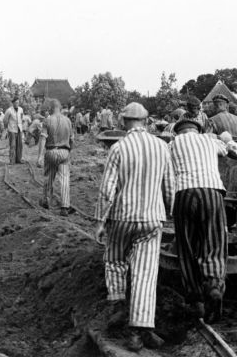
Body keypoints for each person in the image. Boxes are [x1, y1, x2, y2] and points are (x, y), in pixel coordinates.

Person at [95, 102, 175, 352]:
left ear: (123, 122)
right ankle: (137, 333)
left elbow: (107, 190)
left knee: (115, 259)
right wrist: (170, 213)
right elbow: (170, 186)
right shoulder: (162, 147)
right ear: (146, 121)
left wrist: (99, 221)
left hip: (122, 217)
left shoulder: (118, 148)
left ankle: (118, 303)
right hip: (152, 219)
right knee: (145, 274)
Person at [170, 118, 227, 323]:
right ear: (197, 130)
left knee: (186, 247)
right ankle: (213, 285)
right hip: (212, 191)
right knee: (214, 241)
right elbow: (227, 148)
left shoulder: (172, 144)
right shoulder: (209, 140)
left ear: (178, 132)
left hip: (184, 193)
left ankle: (196, 299)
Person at [39, 99, 74, 217]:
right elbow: (72, 140)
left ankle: (46, 201)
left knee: (49, 177)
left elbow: (43, 138)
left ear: (51, 108)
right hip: (64, 152)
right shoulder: (68, 121)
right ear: (59, 108)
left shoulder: (47, 120)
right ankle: (64, 206)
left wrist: (39, 156)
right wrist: (69, 152)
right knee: (64, 179)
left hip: (51, 151)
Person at [3, 97, 24, 164]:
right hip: (12, 129)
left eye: (18, 102)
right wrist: (7, 128)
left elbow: (21, 117)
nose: (17, 104)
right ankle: (12, 160)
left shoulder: (21, 109)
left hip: (19, 129)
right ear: (13, 103)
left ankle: (19, 159)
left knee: (20, 145)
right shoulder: (9, 110)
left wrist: (21, 125)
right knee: (13, 145)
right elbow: (5, 120)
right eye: (15, 103)